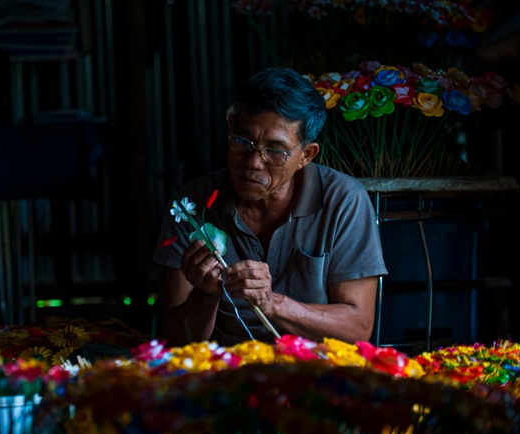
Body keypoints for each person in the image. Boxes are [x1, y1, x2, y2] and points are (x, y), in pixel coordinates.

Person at [152, 67, 387, 347]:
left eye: (275, 150)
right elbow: (177, 339)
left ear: (306, 155)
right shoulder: (191, 205)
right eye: (243, 141)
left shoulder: (344, 201)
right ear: (231, 128)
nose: (252, 163)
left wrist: (273, 303)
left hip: (316, 372)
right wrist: (205, 296)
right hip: (222, 372)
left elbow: (358, 327)